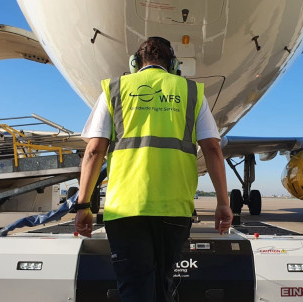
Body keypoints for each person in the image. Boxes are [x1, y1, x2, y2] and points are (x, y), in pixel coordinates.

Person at [75, 36, 233, 302]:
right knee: (163, 285)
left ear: (135, 63)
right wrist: (223, 203)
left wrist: (83, 206)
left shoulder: (115, 89)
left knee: (135, 287)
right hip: (175, 207)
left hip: (125, 209)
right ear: (173, 64)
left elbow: (93, 151)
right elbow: (213, 150)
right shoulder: (191, 91)